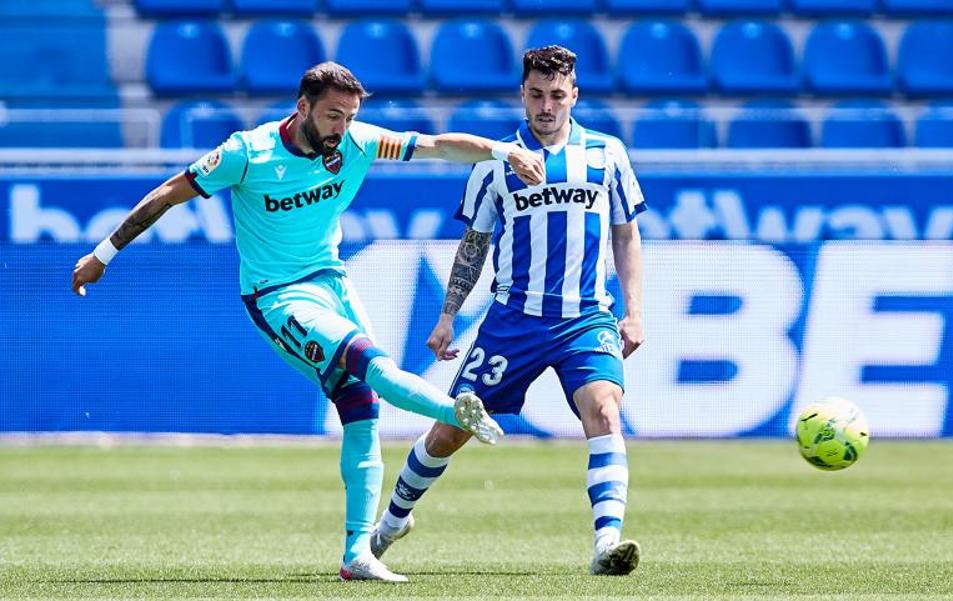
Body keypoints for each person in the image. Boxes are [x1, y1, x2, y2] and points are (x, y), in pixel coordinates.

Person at [71, 61, 546, 583]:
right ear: (303, 108)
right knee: (375, 369)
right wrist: (103, 254)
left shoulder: (360, 143)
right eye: (332, 115)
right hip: (277, 299)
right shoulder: (245, 154)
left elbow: (435, 145)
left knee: (362, 409)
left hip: (333, 284)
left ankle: (356, 555)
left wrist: (505, 151)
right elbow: (166, 195)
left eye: (349, 116)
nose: (341, 128)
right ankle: (459, 413)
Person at [370, 46, 647, 576]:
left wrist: (634, 312)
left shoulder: (607, 154)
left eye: (557, 96)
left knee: (605, 408)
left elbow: (626, 234)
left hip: (585, 317)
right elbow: (473, 244)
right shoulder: (495, 163)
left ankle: (607, 543)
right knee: (452, 428)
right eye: (537, 95)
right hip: (513, 321)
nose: (547, 106)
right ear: (522, 94)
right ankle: (391, 522)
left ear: (575, 96)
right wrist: (448, 314)